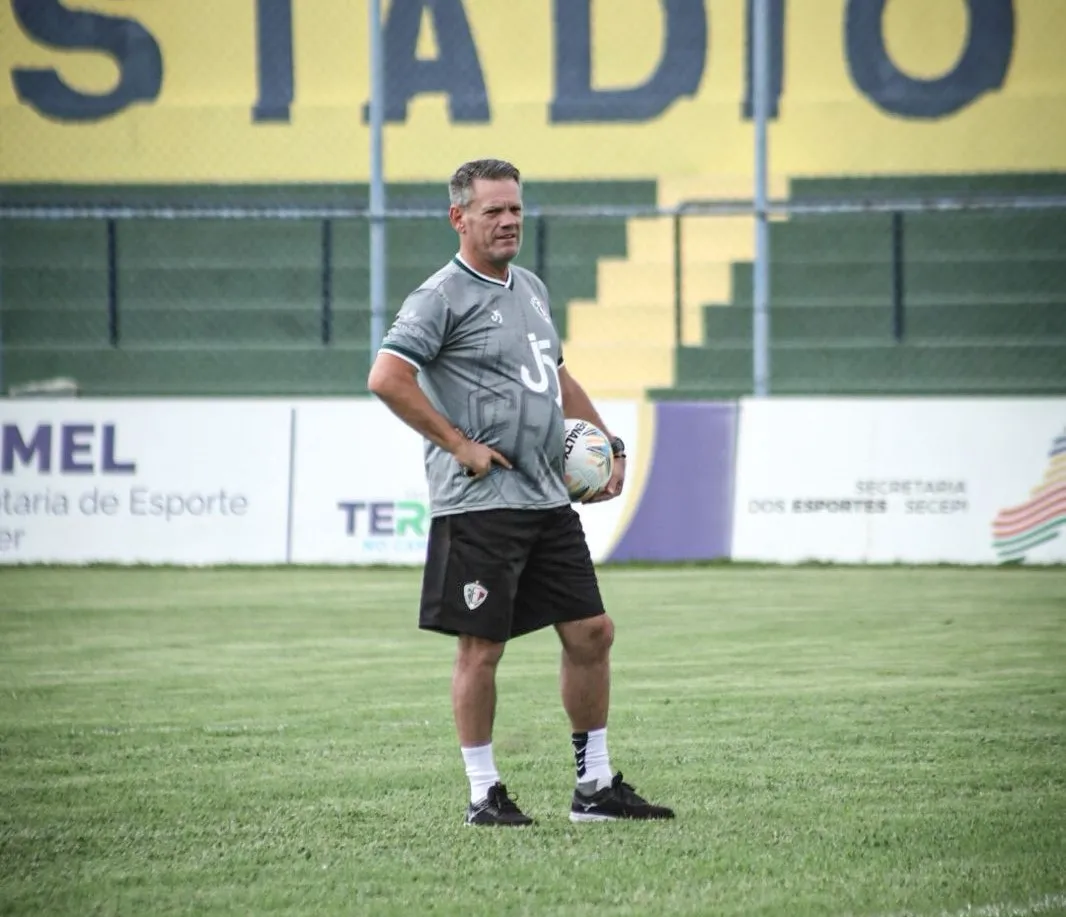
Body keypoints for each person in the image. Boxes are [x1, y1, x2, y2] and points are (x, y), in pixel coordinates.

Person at [366, 158, 674, 827]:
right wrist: (459, 445)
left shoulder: (530, 287)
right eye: (493, 211)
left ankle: (594, 787)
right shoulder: (440, 296)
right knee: (482, 647)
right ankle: (484, 794)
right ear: (459, 217)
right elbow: (387, 377)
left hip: (546, 499)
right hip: (481, 502)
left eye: (515, 209)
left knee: (591, 632)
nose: (509, 222)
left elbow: (558, 380)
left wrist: (610, 445)